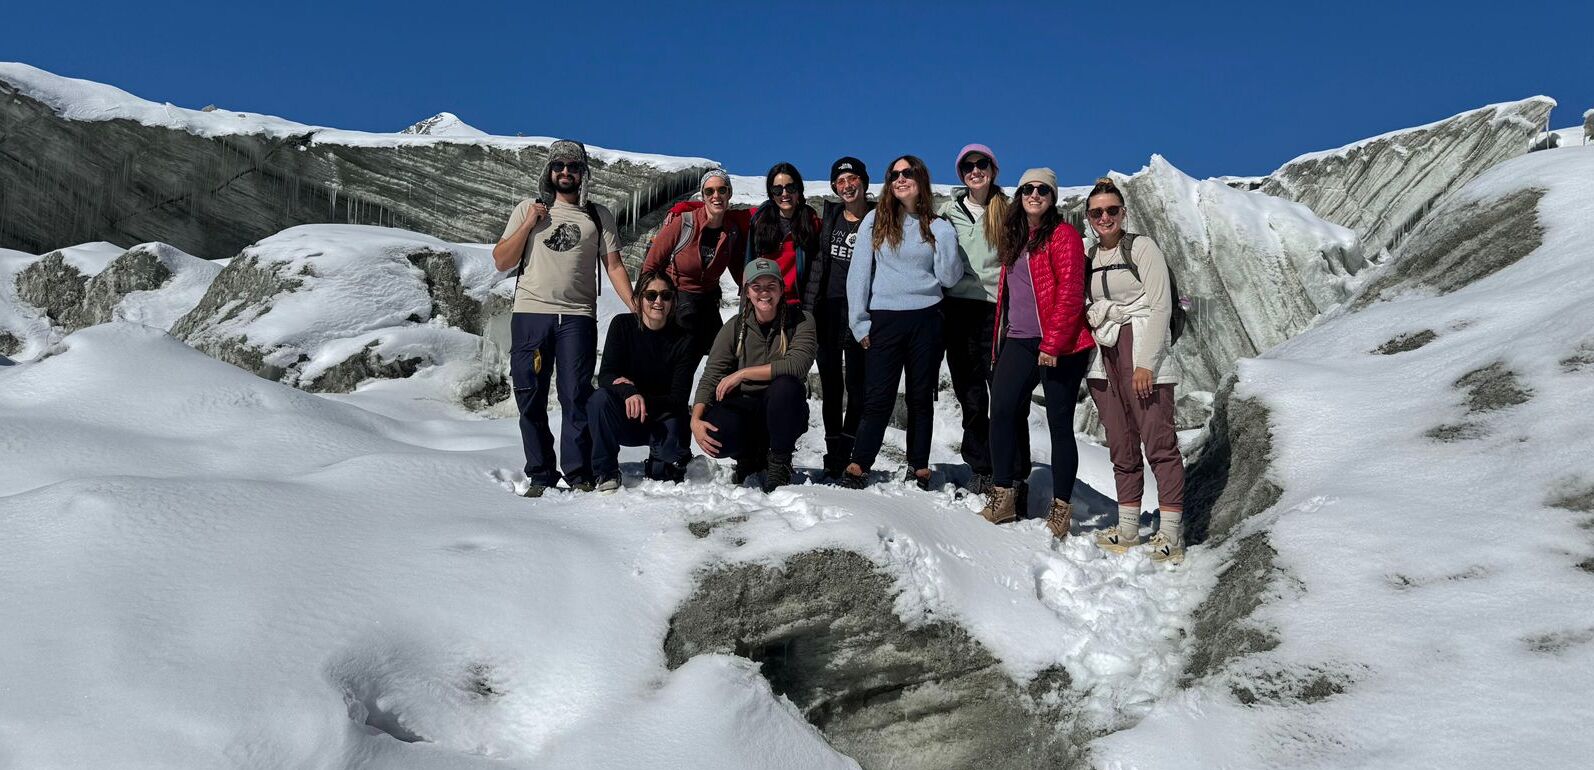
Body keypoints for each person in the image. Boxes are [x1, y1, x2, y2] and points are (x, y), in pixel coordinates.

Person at [492, 140, 634, 497]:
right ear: (549, 170)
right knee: (530, 395)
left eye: (573, 166)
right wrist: (529, 223)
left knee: (576, 396)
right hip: (531, 313)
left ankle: (578, 472)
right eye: (559, 165)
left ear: (584, 173)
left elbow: (614, 265)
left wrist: (635, 306)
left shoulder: (597, 215)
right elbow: (502, 260)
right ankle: (540, 473)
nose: (566, 172)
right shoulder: (528, 208)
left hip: (577, 317)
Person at [977, 169, 1094, 539]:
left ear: (1052, 197)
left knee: (1059, 424)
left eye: (1043, 189)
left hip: (1062, 344)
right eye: (1028, 188)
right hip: (1020, 338)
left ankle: (1061, 508)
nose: (1035, 194)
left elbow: (1071, 292)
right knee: (1002, 411)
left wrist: (1052, 345)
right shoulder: (1015, 236)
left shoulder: (1064, 235)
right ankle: (1004, 496)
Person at [841, 155, 962, 491]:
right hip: (884, 319)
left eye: (907, 173)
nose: (900, 179)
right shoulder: (875, 220)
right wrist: (859, 322)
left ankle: (919, 466)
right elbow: (859, 274)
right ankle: (860, 463)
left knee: (920, 397)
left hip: (927, 319)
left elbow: (949, 278)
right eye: (894, 175)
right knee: (878, 396)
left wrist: (943, 236)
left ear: (921, 179)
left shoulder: (937, 225)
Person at [1083, 176, 1187, 564]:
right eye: (1097, 212)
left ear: (1123, 213)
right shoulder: (1089, 256)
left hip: (1141, 346)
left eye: (1111, 210)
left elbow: (1161, 306)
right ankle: (1128, 528)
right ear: (1088, 217)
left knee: (1158, 442)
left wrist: (1146, 364)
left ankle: (1170, 533)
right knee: (1121, 442)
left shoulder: (1142, 247)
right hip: (1105, 352)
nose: (1104, 217)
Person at [691, 258, 818, 492]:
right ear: (747, 292)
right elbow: (712, 375)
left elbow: (796, 365)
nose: (764, 293)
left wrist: (742, 374)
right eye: (757, 287)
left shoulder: (801, 321)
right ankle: (748, 456)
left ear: (781, 289)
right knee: (717, 430)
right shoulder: (734, 327)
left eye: (771, 286)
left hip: (783, 408)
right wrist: (696, 419)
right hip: (745, 406)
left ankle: (779, 462)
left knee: (786, 387)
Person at [936, 144, 1019, 495]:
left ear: (993, 169)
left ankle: (1011, 469)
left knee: (1002, 394)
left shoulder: (1009, 211)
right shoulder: (946, 212)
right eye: (968, 166)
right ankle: (981, 466)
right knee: (969, 394)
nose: (975, 171)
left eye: (981, 164)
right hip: (957, 309)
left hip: (995, 311)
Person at [589, 269, 698, 492]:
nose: (658, 301)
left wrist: (641, 398)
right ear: (639, 299)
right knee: (599, 400)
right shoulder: (622, 326)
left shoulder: (685, 339)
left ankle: (663, 460)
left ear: (673, 301)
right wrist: (629, 393)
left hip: (663, 417)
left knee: (663, 469)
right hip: (628, 415)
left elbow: (678, 398)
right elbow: (607, 376)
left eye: (666, 296)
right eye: (651, 295)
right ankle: (606, 471)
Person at [800, 157, 871, 478]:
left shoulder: (878, 218)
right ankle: (832, 452)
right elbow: (816, 265)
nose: (847, 186)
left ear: (863, 182)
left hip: (861, 312)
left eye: (852, 179)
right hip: (828, 310)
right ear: (834, 187)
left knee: (858, 385)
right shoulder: (829, 218)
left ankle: (847, 447)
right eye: (840, 181)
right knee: (831, 385)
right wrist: (808, 309)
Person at [640, 169, 749, 358]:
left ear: (729, 193)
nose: (716, 196)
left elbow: (736, 267)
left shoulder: (732, 231)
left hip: (708, 301)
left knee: (723, 352)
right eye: (709, 191)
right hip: (677, 295)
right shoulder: (683, 223)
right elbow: (650, 266)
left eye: (722, 190)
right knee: (685, 345)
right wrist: (644, 305)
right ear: (703, 196)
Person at [746, 163, 821, 306]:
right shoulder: (758, 221)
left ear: (799, 189)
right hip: (765, 304)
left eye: (790, 187)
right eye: (777, 190)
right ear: (771, 194)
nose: (785, 194)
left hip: (798, 305)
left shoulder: (812, 224)